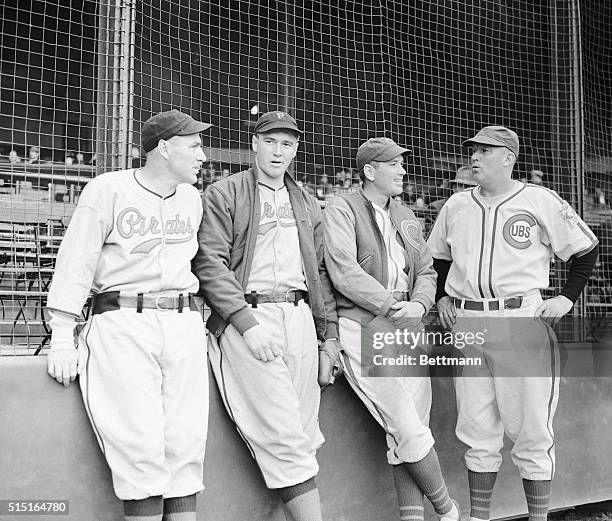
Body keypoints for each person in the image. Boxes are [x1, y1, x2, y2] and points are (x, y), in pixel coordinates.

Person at [45, 109, 212, 521]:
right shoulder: (107, 190)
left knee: (185, 446)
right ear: (164, 148)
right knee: (140, 450)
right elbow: (75, 263)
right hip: (124, 321)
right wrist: (63, 335)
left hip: (182, 322)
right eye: (194, 145)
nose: (203, 155)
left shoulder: (192, 198)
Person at [427, 126, 599, 521]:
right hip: (468, 319)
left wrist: (566, 297)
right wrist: (441, 297)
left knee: (532, 428)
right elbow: (437, 259)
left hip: (520, 316)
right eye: (472, 150)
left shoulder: (539, 199)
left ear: (508, 158)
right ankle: (478, 517)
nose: (474, 157)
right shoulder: (455, 205)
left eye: (485, 151)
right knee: (475, 427)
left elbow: (585, 249)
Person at [193, 110, 342, 521]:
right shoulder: (225, 192)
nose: (279, 151)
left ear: (296, 149)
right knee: (284, 437)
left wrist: (328, 337)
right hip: (250, 315)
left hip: (298, 317)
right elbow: (210, 263)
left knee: (304, 438)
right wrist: (246, 323)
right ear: (255, 143)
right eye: (271, 141)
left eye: (288, 143)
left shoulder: (307, 201)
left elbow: (321, 275)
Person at [323, 137, 460, 521]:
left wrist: (418, 304)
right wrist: (392, 305)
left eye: (402, 163)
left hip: (408, 320)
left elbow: (428, 271)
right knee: (407, 425)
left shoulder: (405, 214)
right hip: (366, 321)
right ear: (370, 171)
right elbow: (343, 271)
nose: (403, 170)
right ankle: (449, 512)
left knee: (410, 428)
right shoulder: (342, 208)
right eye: (394, 164)